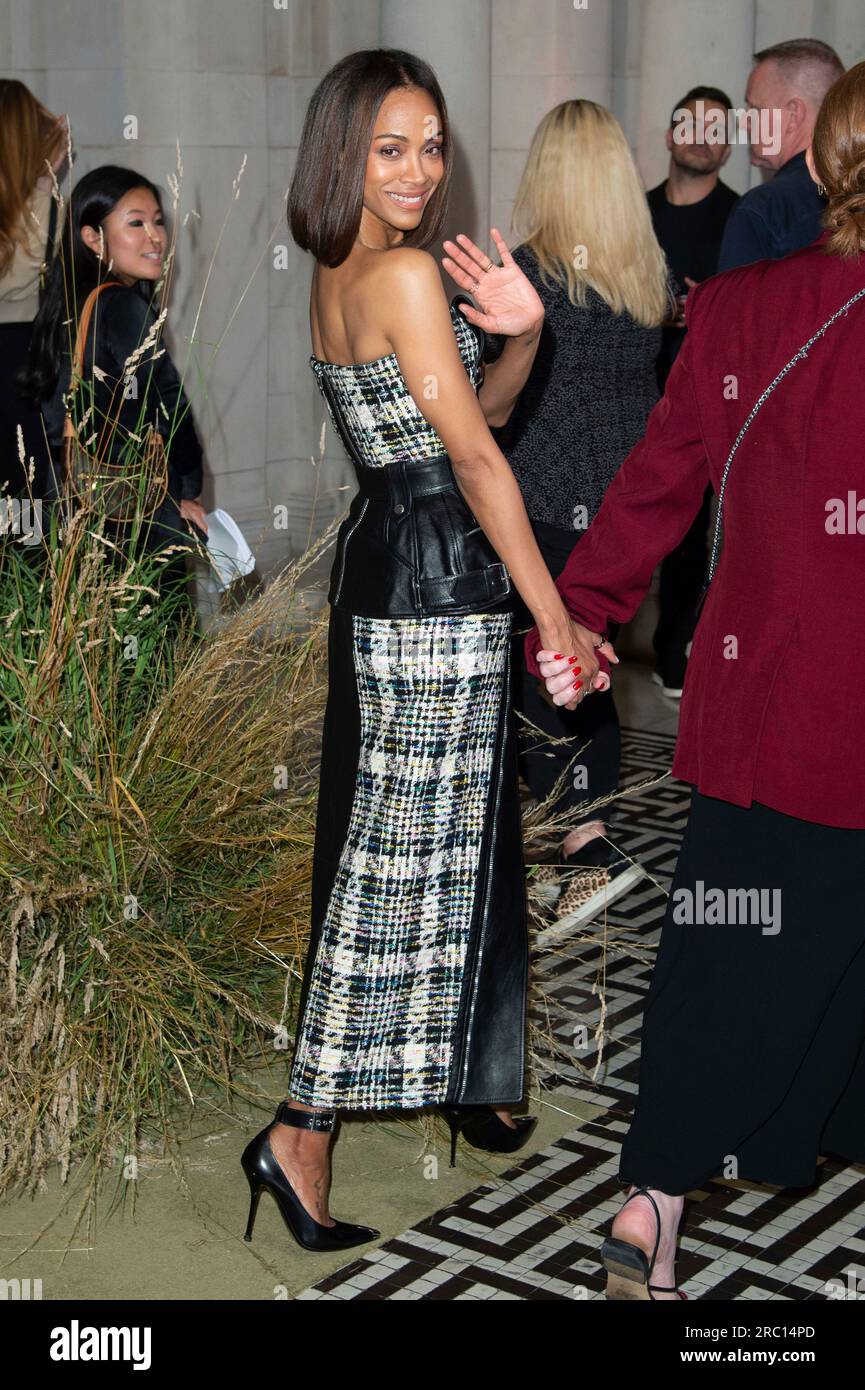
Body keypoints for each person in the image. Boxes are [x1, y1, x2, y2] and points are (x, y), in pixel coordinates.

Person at [239, 47, 611, 1254]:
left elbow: (481, 412)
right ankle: (302, 1131)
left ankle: (474, 1075)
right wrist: (554, 617)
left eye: (434, 144)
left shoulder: (344, 272)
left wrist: (524, 332)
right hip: (439, 586)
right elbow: (476, 461)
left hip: (390, 573)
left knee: (435, 846)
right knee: (401, 866)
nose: (419, 169)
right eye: (390, 146)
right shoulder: (400, 274)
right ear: (342, 154)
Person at [527, 61, 865, 1300]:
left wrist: (585, 608)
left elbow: (657, 484)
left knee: (732, 951)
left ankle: (650, 1207)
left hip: (762, 703)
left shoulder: (734, 306)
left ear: (820, 167)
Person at [488, 99, 669, 917]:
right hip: (625, 510)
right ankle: (586, 841)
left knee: (544, 678)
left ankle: (581, 852)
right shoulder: (642, 269)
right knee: (585, 673)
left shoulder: (525, 273)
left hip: (542, 507)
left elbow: (493, 407)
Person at [17, 165, 208, 611]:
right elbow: (171, 405)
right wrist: (187, 490)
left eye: (158, 221)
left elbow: (51, 411)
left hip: (70, 504)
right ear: (93, 238)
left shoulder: (66, 304)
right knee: (156, 651)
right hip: (133, 510)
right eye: (136, 223)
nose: (155, 237)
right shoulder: (123, 306)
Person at [647, 85, 739, 698]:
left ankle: (671, 650)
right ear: (670, 135)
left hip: (706, 392)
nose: (704, 137)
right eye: (693, 125)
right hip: (630, 388)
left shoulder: (744, 215)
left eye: (717, 129)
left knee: (687, 526)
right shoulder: (634, 211)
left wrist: (709, 305)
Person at [718, 37, 844, 271]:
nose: (744, 124)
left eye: (754, 109)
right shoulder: (855, 196)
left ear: (793, 115)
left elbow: (739, 308)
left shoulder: (764, 209)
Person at [0, 81, 67, 507]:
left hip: (21, 360)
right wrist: (45, 183)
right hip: (19, 359)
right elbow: (23, 274)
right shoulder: (45, 207)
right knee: (24, 506)